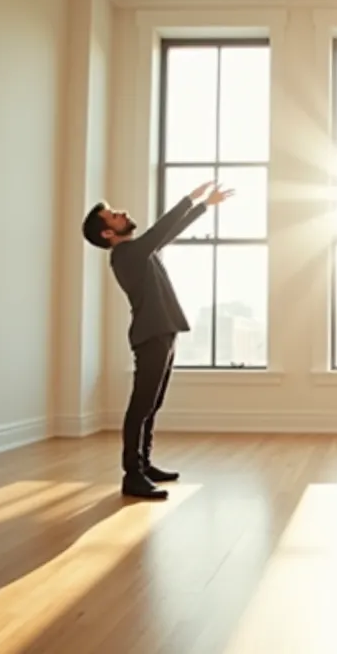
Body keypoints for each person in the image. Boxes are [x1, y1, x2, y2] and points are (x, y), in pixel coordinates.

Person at [81, 181, 236, 499]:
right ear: (108, 234)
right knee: (141, 405)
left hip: (163, 331)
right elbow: (161, 232)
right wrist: (194, 201)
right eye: (113, 216)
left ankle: (145, 464)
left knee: (153, 403)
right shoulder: (125, 255)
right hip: (151, 335)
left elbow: (164, 235)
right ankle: (132, 475)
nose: (121, 213)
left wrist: (202, 205)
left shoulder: (137, 251)